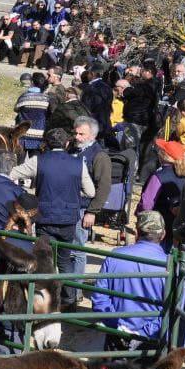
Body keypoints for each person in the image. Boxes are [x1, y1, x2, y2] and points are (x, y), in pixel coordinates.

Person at [9, 128, 95, 278]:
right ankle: (69, 297)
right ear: (67, 143)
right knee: (64, 260)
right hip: (68, 218)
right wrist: (73, 192)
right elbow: (90, 192)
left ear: (46, 144)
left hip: (45, 217)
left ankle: (44, 295)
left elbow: (11, 173)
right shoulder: (78, 163)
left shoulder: (38, 161)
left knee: (45, 260)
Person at [89, 211, 169, 350]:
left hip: (116, 336)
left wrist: (118, 325)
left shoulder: (115, 256)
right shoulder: (169, 266)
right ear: (163, 235)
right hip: (150, 342)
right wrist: (143, 332)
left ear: (137, 232)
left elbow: (99, 299)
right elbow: (174, 310)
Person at [72, 116, 112, 283]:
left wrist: (92, 211)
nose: (77, 137)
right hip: (68, 205)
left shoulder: (99, 156)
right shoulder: (72, 149)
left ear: (92, 136)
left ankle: (76, 288)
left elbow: (104, 187)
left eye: (82, 134)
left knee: (77, 249)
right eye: (75, 133)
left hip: (83, 209)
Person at [138, 140, 185, 246]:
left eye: (162, 150)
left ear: (165, 155)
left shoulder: (159, 176)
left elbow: (146, 204)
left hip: (158, 229)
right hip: (180, 229)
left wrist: (141, 222)